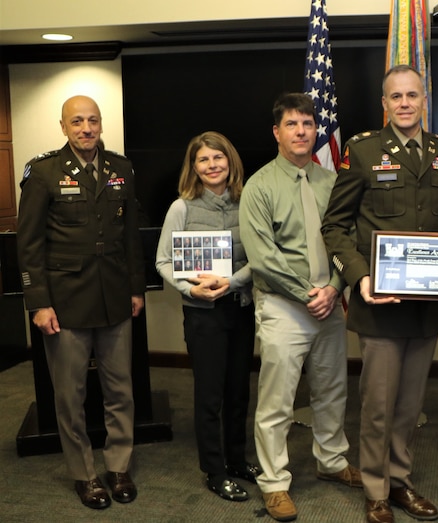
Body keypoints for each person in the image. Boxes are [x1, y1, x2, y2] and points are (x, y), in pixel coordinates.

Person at [321, 65, 438, 523]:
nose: (405, 103)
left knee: (409, 406)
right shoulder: (362, 151)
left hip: (425, 307)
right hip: (379, 304)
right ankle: (376, 490)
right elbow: (335, 226)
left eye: (412, 95)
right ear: (384, 104)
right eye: (395, 96)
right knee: (379, 405)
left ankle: (401, 482)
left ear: (425, 100)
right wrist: (360, 276)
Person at [16, 95, 145, 509]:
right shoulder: (44, 172)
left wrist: (136, 289)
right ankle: (84, 473)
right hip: (66, 303)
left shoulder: (120, 168)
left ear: (101, 124)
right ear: (63, 127)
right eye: (77, 122)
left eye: (92, 120)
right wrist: (38, 302)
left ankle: (118, 465)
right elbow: (29, 243)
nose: (86, 128)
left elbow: (130, 238)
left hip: (114, 298)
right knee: (70, 396)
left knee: (120, 389)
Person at [239, 93, 361, 522]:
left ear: (316, 130)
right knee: (278, 401)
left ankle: (332, 461)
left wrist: (334, 287)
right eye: (292, 124)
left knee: (332, 390)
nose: (301, 132)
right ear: (277, 132)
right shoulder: (259, 186)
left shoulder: (332, 182)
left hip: (328, 303)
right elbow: (263, 257)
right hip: (284, 306)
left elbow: (347, 242)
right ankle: (274, 483)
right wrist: (310, 293)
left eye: (308, 124)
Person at [155, 131, 259, 502]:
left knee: (239, 392)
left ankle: (236, 459)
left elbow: (258, 260)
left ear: (230, 161)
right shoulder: (181, 208)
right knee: (210, 395)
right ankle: (214, 470)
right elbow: (164, 261)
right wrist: (189, 289)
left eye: (218, 158)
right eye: (204, 160)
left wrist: (231, 282)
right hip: (203, 315)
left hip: (241, 309)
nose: (212, 165)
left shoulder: (249, 202)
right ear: (194, 167)